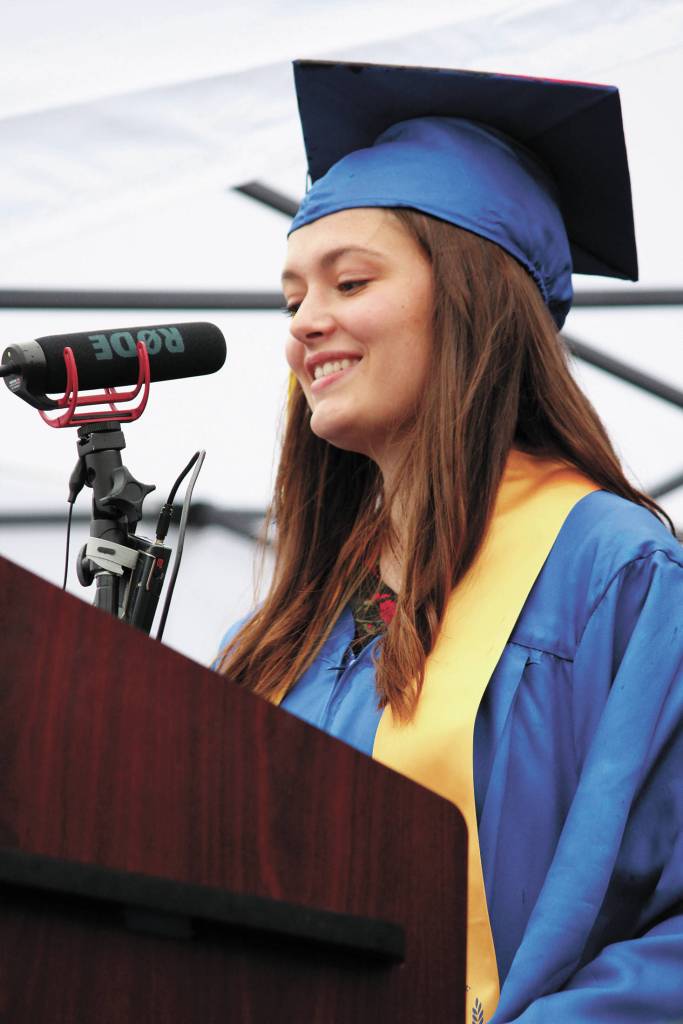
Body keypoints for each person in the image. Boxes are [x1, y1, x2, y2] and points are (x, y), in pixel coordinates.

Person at [215, 61, 683, 1022]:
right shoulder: (285, 630)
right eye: (291, 296)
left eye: (349, 281)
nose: (306, 323)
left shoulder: (614, 574)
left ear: (471, 300)